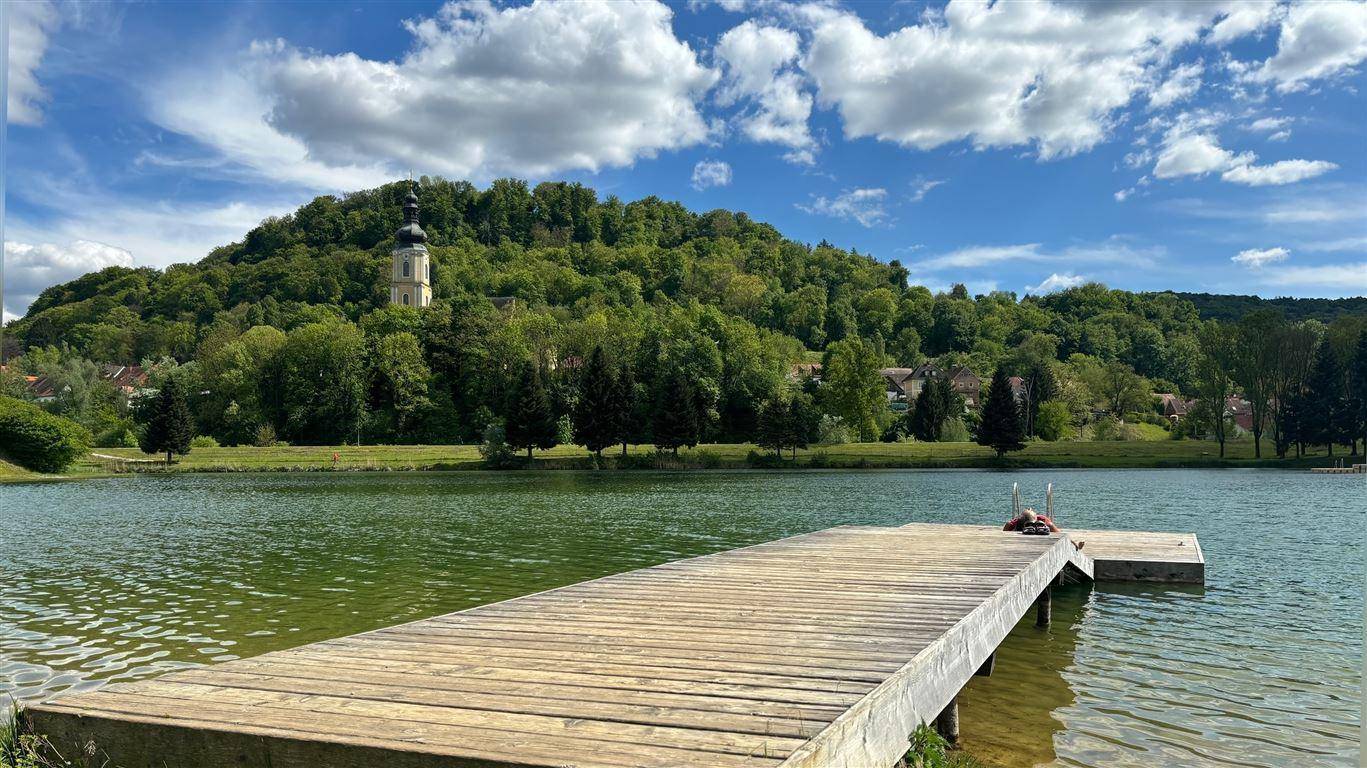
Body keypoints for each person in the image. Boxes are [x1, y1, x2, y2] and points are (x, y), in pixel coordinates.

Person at [1004, 508, 1084, 550]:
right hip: (1039, 533)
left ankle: (1075, 543)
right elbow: (1060, 535)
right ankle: (1075, 543)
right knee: (1050, 525)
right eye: (1029, 510)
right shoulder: (1042, 519)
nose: (1030, 509)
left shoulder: (1014, 521)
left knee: (1049, 525)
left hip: (1022, 536)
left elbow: (1006, 529)